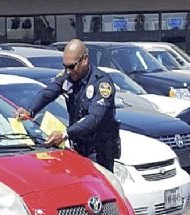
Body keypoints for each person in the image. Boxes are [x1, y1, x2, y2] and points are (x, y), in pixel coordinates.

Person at [15, 39, 120, 172]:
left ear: (85, 59)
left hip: (99, 151)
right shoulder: (69, 77)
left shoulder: (101, 83)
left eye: (71, 66)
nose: (68, 71)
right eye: (65, 66)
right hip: (78, 147)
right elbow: (49, 92)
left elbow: (94, 118)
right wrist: (30, 111)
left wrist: (65, 134)